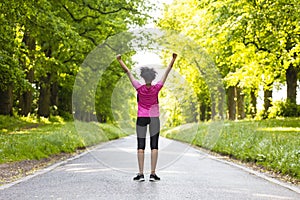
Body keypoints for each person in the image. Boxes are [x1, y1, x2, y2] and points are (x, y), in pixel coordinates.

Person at [116, 53, 177, 182]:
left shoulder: (139, 87)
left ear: (143, 78)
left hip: (141, 118)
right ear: (153, 77)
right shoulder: (157, 88)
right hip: (154, 118)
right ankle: (153, 173)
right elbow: (167, 72)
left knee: (140, 146)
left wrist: (120, 60)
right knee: (154, 146)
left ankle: (140, 173)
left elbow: (127, 72)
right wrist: (173, 59)